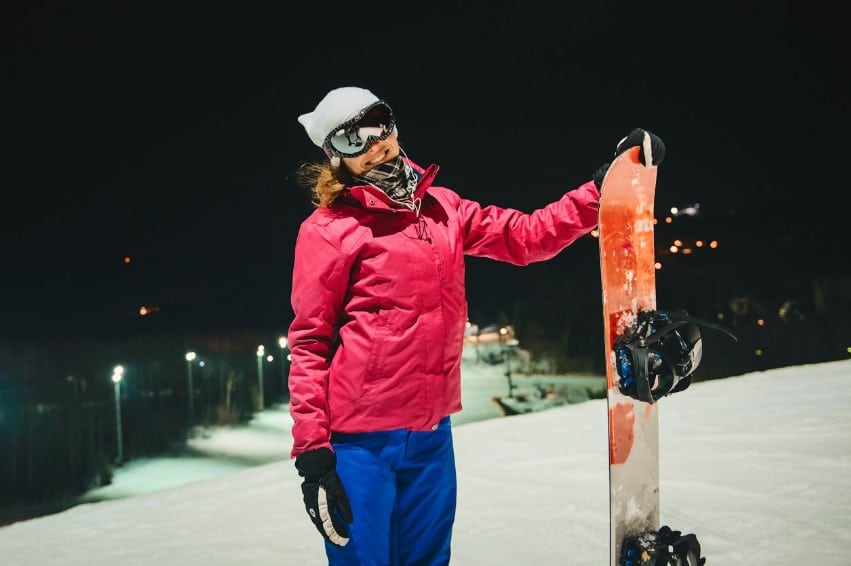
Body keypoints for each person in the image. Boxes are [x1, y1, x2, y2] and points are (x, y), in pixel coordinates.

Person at [287, 86, 664, 565]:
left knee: (430, 559)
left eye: (378, 123)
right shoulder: (328, 230)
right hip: (359, 443)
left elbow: (526, 237)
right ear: (333, 155)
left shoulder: (443, 209)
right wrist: (314, 455)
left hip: (431, 434)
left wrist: (599, 191)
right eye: (351, 139)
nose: (374, 142)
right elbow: (310, 344)